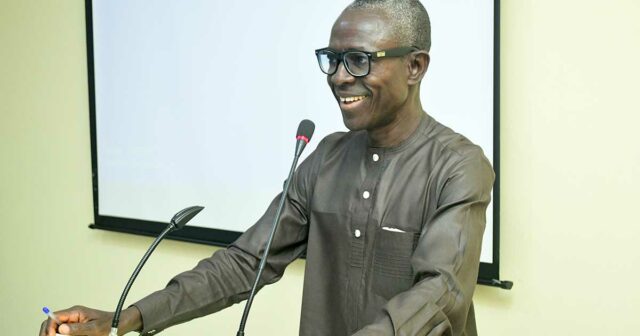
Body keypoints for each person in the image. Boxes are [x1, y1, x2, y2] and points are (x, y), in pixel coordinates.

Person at [40, 0, 494, 335]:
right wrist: (127, 319)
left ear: (415, 66)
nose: (338, 76)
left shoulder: (458, 165)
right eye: (332, 60)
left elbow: (443, 293)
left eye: (359, 60)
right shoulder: (325, 159)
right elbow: (246, 261)